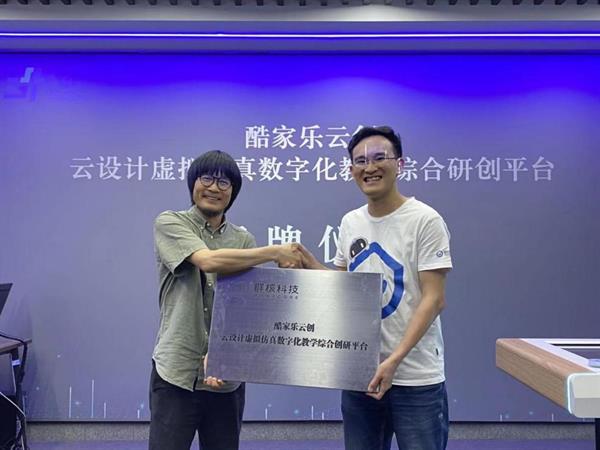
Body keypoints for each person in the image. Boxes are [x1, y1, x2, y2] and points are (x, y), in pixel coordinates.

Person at [299, 126, 453, 450]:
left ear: (400, 164)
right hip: (362, 374)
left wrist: (393, 360)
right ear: (351, 170)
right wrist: (305, 262)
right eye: (360, 161)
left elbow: (434, 299)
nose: (369, 167)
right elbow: (343, 289)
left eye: (379, 158)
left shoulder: (425, 220)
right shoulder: (350, 222)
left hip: (415, 377)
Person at [149, 150, 302, 450]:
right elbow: (207, 260)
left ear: (233, 192)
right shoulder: (170, 222)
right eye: (207, 178)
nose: (214, 188)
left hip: (226, 379)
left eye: (224, 182)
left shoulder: (243, 241)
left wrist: (224, 355)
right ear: (193, 183)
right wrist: (274, 252)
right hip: (176, 373)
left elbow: (242, 309)